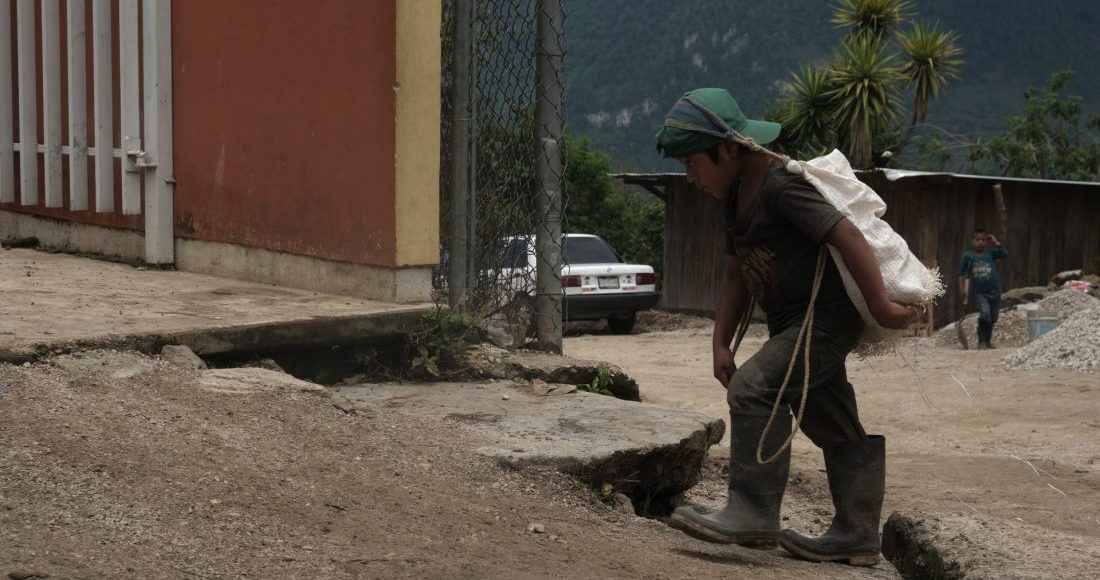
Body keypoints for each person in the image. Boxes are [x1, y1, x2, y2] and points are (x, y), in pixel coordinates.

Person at [655, 88, 924, 566]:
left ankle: (753, 512)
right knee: (829, 418)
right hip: (790, 323)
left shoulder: (781, 185)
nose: (689, 176)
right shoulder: (734, 196)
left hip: (824, 319)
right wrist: (720, 341)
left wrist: (881, 308)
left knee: (754, 387)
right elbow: (736, 271)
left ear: (730, 148)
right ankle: (858, 534)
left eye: (693, 162)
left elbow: (847, 234)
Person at [958, 229, 1008, 349]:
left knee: (993, 317)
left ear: (986, 242)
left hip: (995, 290)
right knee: (985, 314)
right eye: (977, 240)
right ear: (972, 241)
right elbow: (961, 273)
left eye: (983, 240)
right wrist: (962, 289)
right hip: (981, 292)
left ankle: (988, 341)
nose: (980, 242)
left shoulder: (990, 253)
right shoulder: (968, 256)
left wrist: (995, 241)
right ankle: (981, 341)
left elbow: (1004, 253)